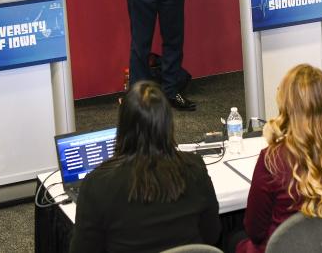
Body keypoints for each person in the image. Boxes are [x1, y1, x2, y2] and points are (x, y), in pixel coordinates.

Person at [70, 81, 220, 253]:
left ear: (123, 124)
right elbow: (211, 234)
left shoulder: (97, 184)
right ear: (168, 122)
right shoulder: (194, 167)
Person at [235, 64, 322, 253]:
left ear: (287, 106)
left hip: (286, 249)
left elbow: (255, 230)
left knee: (237, 241)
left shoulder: (272, 159)